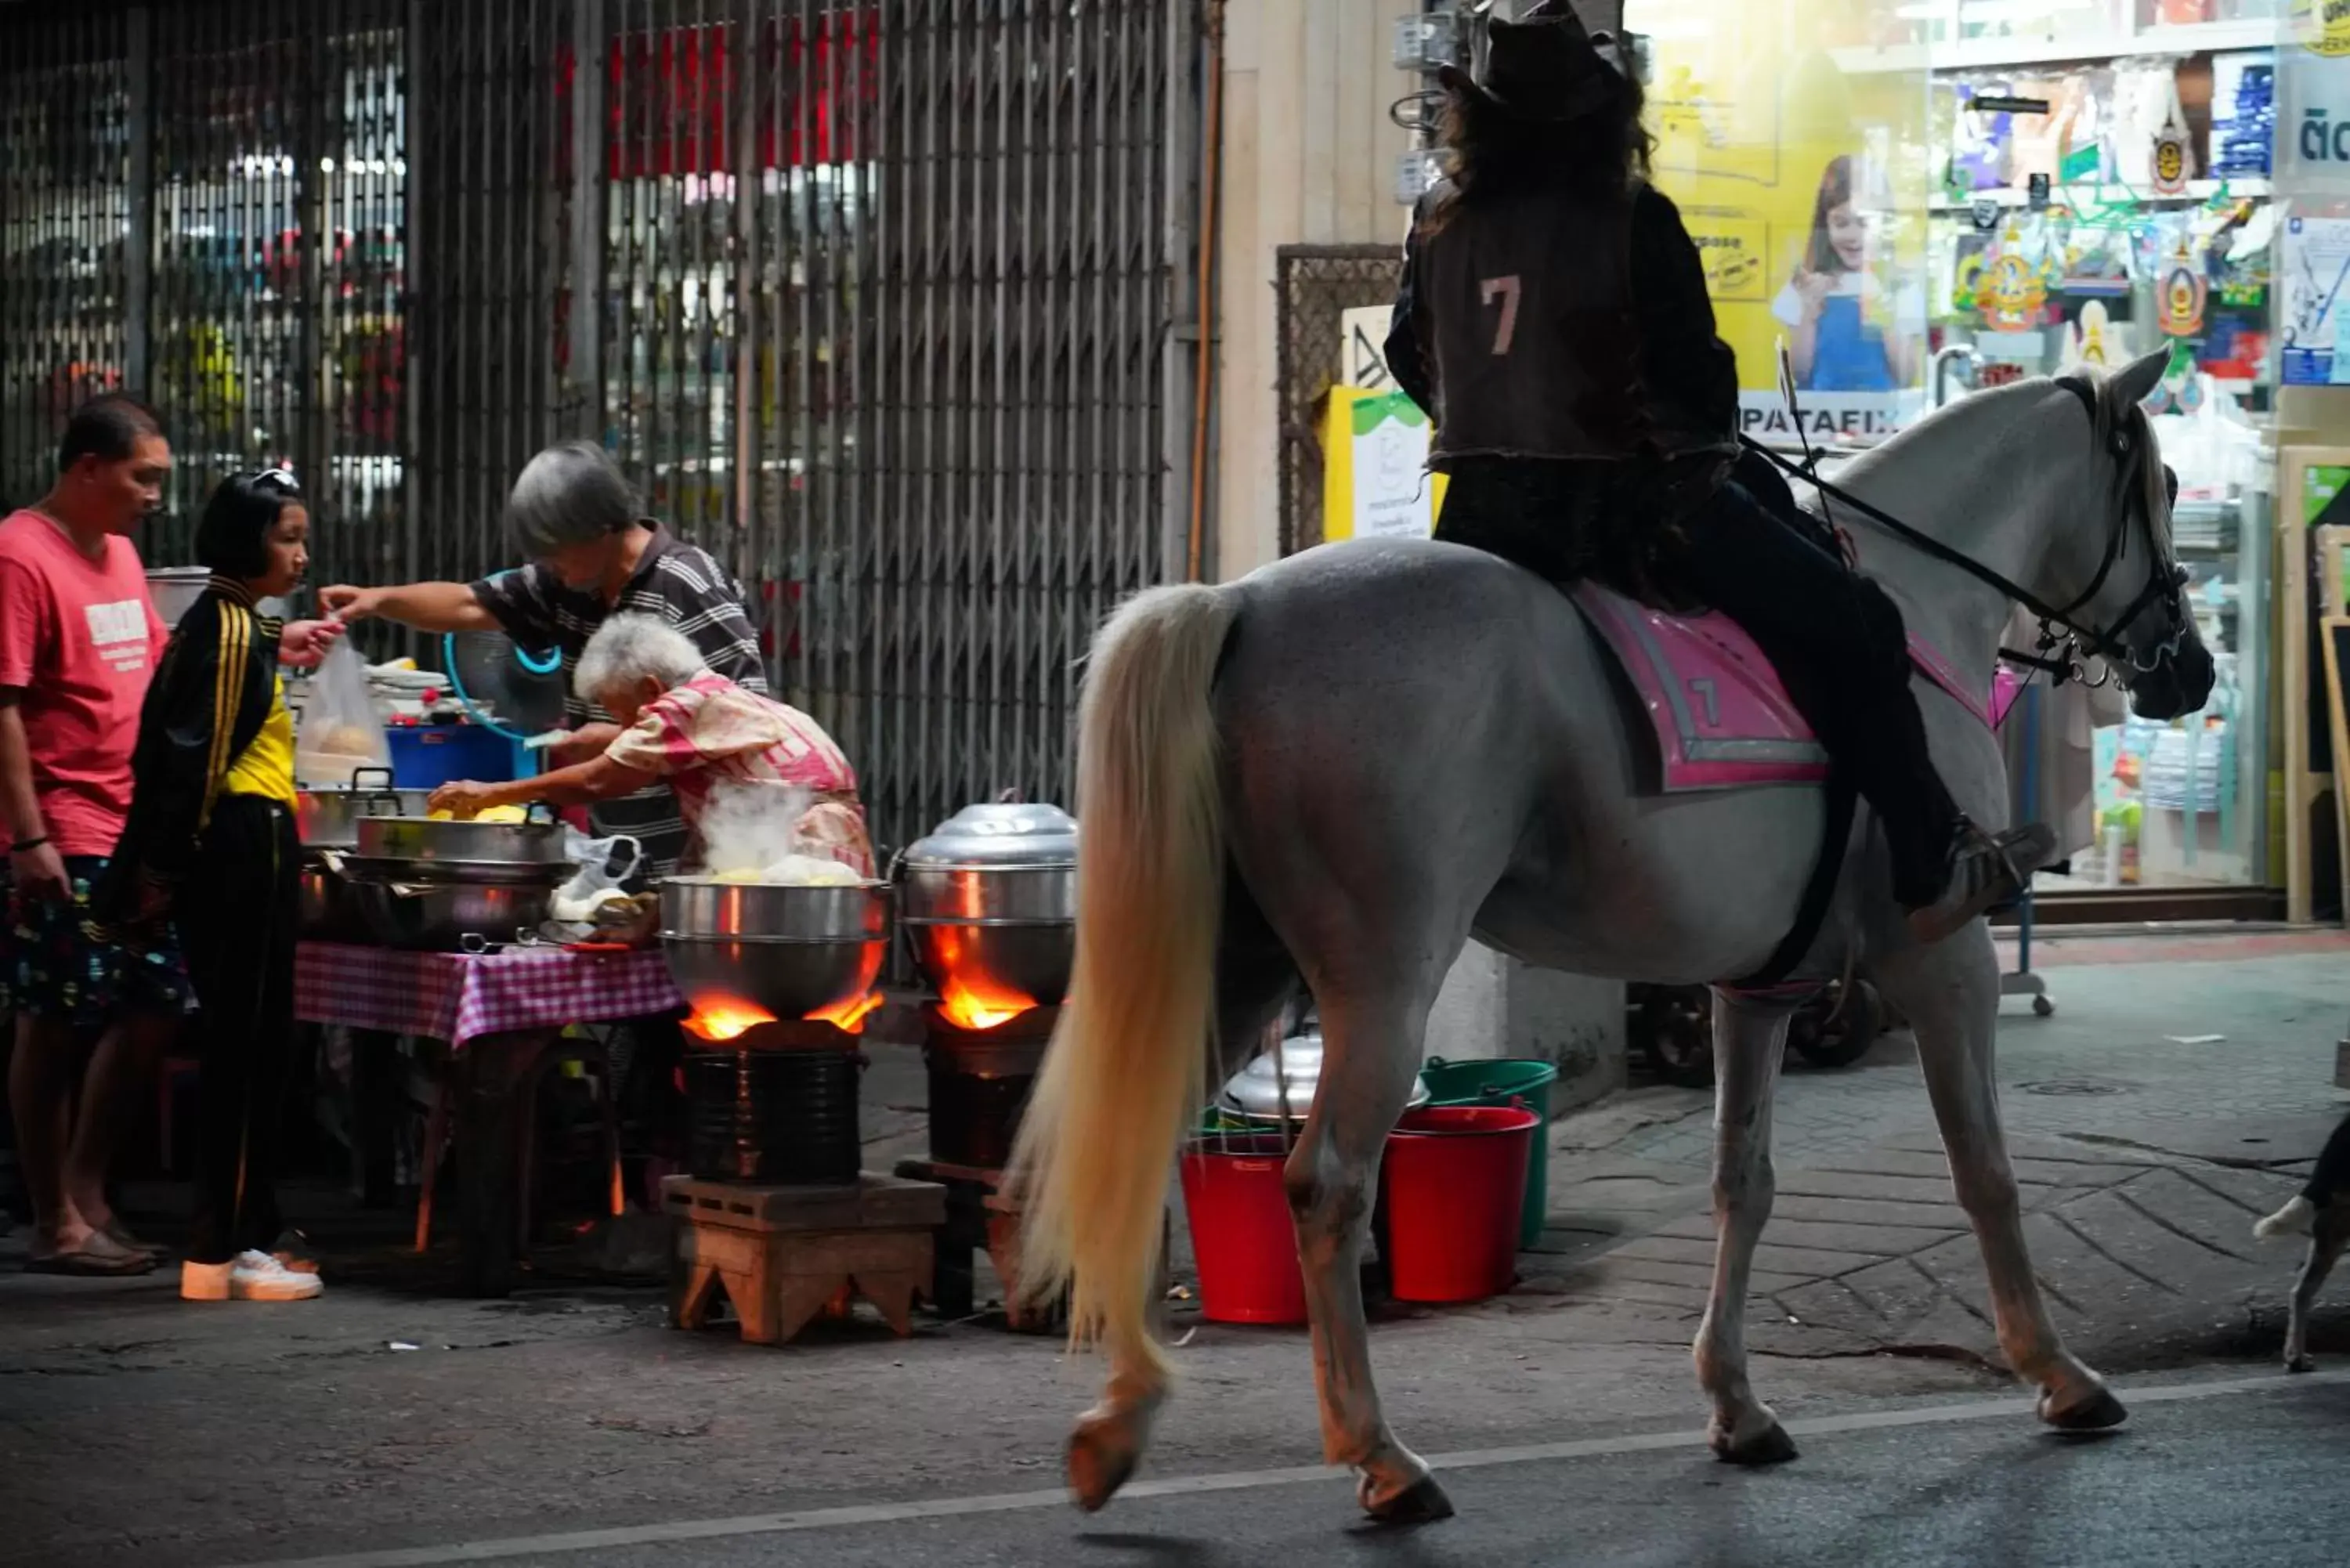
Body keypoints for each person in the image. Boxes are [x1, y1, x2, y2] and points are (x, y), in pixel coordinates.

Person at [1382, 2, 2053, 944]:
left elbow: (1409, 354)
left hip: (1481, 520)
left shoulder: (1438, 223)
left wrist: (1491, 423)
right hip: (1629, 515)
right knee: (1859, 618)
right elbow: (1699, 379)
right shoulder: (1631, 218)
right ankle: (1927, 858)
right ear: (1600, 113)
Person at [88, 470, 344, 1303]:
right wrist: (164, 871)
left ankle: (244, 1233)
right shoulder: (232, 632)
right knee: (248, 1047)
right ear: (244, 543)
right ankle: (221, 1248)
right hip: (242, 842)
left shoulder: (229, 624)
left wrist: (281, 643)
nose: (300, 554)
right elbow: (193, 766)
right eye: (286, 538)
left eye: (302, 537)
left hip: (240, 844)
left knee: (257, 1044)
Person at [318, 440, 765, 880]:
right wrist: (376, 600)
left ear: (599, 527)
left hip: (708, 859)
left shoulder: (688, 585)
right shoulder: (568, 583)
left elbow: (749, 724)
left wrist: (619, 737)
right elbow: (469, 605)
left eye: (555, 547)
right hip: (624, 853)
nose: (545, 563)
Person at [1, 396, 192, 1275]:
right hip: (62, 824)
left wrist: (272, 639)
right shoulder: (19, 555)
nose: (154, 495)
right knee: (57, 1019)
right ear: (86, 468)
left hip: (130, 820)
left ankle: (87, 1191)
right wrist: (27, 836)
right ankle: (52, 1218)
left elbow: (152, 657)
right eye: (141, 476)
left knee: (154, 1005)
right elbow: (3, 705)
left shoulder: (117, 550)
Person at [427, 616, 873, 878]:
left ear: (651, 688)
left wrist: (492, 793)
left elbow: (598, 780)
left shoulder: (686, 704)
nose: (625, 724)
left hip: (805, 858)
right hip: (810, 851)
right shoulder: (713, 697)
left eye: (621, 712)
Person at [1773, 155, 1925, 393]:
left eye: (1864, 223)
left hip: (1879, 422)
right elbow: (1800, 371)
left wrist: (1883, 307)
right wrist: (1808, 312)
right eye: (1841, 223)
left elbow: (1906, 376)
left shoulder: (1900, 287)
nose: (1853, 235)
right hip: (1818, 420)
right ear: (1825, 224)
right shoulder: (1805, 285)